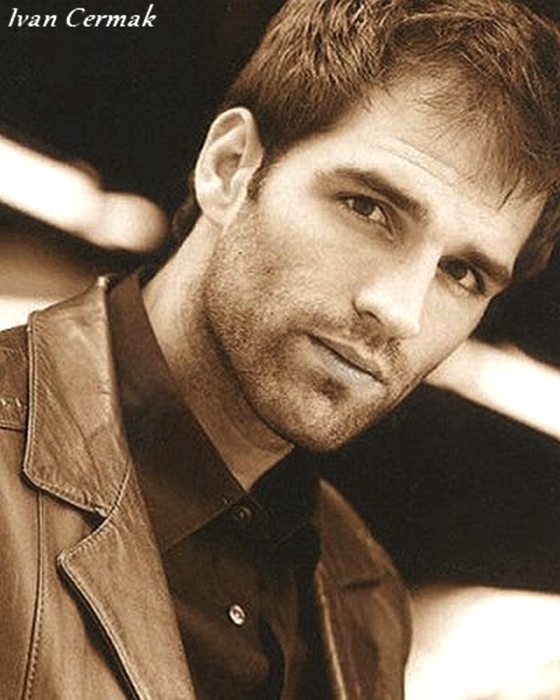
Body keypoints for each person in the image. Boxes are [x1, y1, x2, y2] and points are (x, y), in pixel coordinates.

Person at [1, 0, 560, 698]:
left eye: (462, 273)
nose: (399, 311)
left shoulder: (365, 599)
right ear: (229, 167)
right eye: (368, 208)